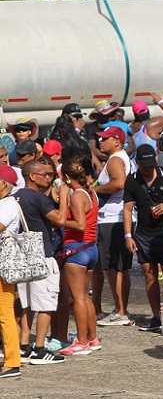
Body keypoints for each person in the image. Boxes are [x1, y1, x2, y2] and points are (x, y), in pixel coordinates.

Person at [123, 144, 163, 332]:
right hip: (144, 234)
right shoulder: (132, 180)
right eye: (144, 166)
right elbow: (127, 208)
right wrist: (128, 235)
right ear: (137, 163)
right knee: (149, 275)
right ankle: (157, 316)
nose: (148, 169)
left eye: (151, 165)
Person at [15, 159, 68, 364]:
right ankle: (39, 349)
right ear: (32, 176)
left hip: (24, 256)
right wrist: (63, 198)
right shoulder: (38, 198)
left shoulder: (15, 197)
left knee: (28, 304)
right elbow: (61, 220)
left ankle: (24, 345)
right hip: (42, 256)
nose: (49, 177)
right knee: (45, 304)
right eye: (45, 174)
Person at [57, 154, 102, 356]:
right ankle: (92, 338)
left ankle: (82, 342)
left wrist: (58, 219)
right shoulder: (90, 192)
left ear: (67, 177)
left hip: (77, 248)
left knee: (79, 298)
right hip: (90, 248)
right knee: (85, 297)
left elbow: (79, 224)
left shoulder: (76, 196)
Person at [94, 126, 134, 325]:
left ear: (117, 141)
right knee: (119, 267)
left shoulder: (116, 159)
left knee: (113, 268)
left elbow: (119, 183)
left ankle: (120, 311)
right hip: (119, 218)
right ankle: (121, 309)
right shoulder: (121, 158)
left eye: (105, 139)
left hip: (112, 218)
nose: (101, 142)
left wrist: (95, 190)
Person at [0, 165, 22, 378]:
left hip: (3, 267)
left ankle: (12, 362)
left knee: (5, 313)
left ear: (3, 184)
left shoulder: (8, 205)